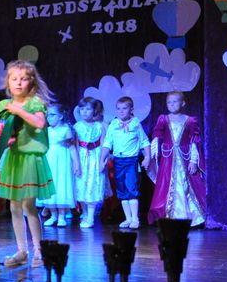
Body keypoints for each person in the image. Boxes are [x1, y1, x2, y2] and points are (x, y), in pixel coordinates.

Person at [0, 60, 55, 268]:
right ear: (8, 82)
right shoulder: (5, 105)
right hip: (14, 159)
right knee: (14, 206)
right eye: (14, 79)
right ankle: (22, 250)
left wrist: (17, 111)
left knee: (28, 205)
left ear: (32, 82)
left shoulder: (34, 102)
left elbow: (39, 123)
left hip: (30, 159)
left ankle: (39, 249)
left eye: (24, 79)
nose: (18, 83)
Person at [148, 91, 206, 228]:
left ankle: (190, 217)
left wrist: (193, 161)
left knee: (185, 184)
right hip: (168, 159)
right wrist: (153, 155)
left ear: (183, 103)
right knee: (167, 185)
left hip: (184, 158)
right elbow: (156, 136)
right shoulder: (163, 119)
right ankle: (169, 217)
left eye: (175, 101)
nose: (172, 104)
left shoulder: (190, 120)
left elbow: (194, 142)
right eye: (169, 102)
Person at [100, 96, 150, 229]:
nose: (121, 111)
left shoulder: (135, 124)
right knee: (121, 190)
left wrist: (147, 157)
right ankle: (128, 218)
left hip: (131, 161)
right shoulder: (113, 125)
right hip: (118, 161)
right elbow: (107, 143)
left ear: (131, 109)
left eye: (124, 108)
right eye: (118, 109)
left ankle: (135, 218)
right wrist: (102, 159)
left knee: (131, 188)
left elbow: (144, 141)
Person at [38, 102, 80, 227]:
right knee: (50, 185)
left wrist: (76, 164)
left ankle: (62, 216)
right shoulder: (47, 130)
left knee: (61, 185)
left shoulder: (66, 129)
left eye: (52, 115)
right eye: (47, 115)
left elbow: (72, 148)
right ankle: (53, 215)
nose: (49, 118)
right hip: (49, 160)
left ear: (61, 116)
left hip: (62, 162)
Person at [72, 97, 109, 228]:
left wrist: (102, 161)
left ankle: (91, 217)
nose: (84, 112)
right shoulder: (76, 127)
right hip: (82, 158)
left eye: (88, 109)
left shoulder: (100, 126)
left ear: (94, 111)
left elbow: (104, 145)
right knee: (81, 185)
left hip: (95, 157)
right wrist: (76, 163)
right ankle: (85, 213)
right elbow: (75, 146)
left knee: (93, 184)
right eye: (82, 109)